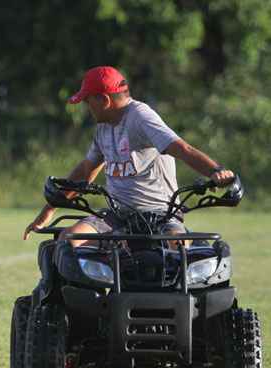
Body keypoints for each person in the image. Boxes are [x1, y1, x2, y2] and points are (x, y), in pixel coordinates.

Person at [23, 66, 236, 246]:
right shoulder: (103, 128)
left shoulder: (140, 117)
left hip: (162, 215)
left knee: (177, 247)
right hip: (117, 215)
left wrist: (215, 171)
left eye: (89, 102)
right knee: (68, 240)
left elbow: (182, 149)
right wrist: (48, 210)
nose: (87, 108)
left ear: (105, 100)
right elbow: (85, 172)